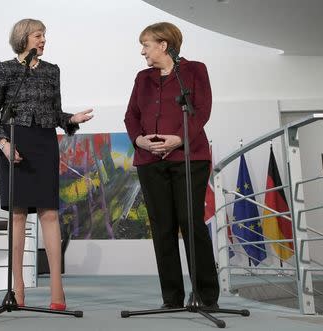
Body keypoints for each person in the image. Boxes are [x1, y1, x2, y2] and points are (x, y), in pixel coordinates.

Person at [0, 18, 93, 311]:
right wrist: (4, 144)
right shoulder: (4, 69)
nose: (44, 40)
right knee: (17, 216)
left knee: (49, 214)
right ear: (23, 38)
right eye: (39, 35)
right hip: (12, 143)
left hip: (44, 144)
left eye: (44, 36)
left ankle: (57, 285)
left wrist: (71, 120)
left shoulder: (52, 71)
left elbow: (55, 113)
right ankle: (17, 287)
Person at [124, 22, 219, 308]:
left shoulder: (195, 70)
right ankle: (172, 298)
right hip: (149, 160)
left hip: (189, 158)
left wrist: (178, 139)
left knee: (191, 223)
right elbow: (131, 116)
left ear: (163, 45)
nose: (142, 51)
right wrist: (140, 141)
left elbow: (202, 110)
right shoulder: (142, 78)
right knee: (162, 226)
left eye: (146, 45)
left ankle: (206, 296)